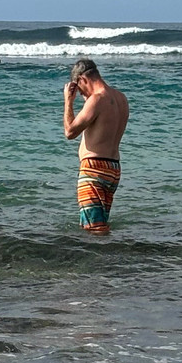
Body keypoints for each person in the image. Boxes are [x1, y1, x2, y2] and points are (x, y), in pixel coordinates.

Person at [63, 58, 129, 234]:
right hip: (113, 168)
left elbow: (70, 132)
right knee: (100, 224)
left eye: (79, 87)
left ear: (83, 79)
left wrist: (68, 101)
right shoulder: (121, 98)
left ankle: (102, 261)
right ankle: (107, 258)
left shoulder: (97, 99)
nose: (81, 93)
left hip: (94, 168)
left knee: (94, 229)